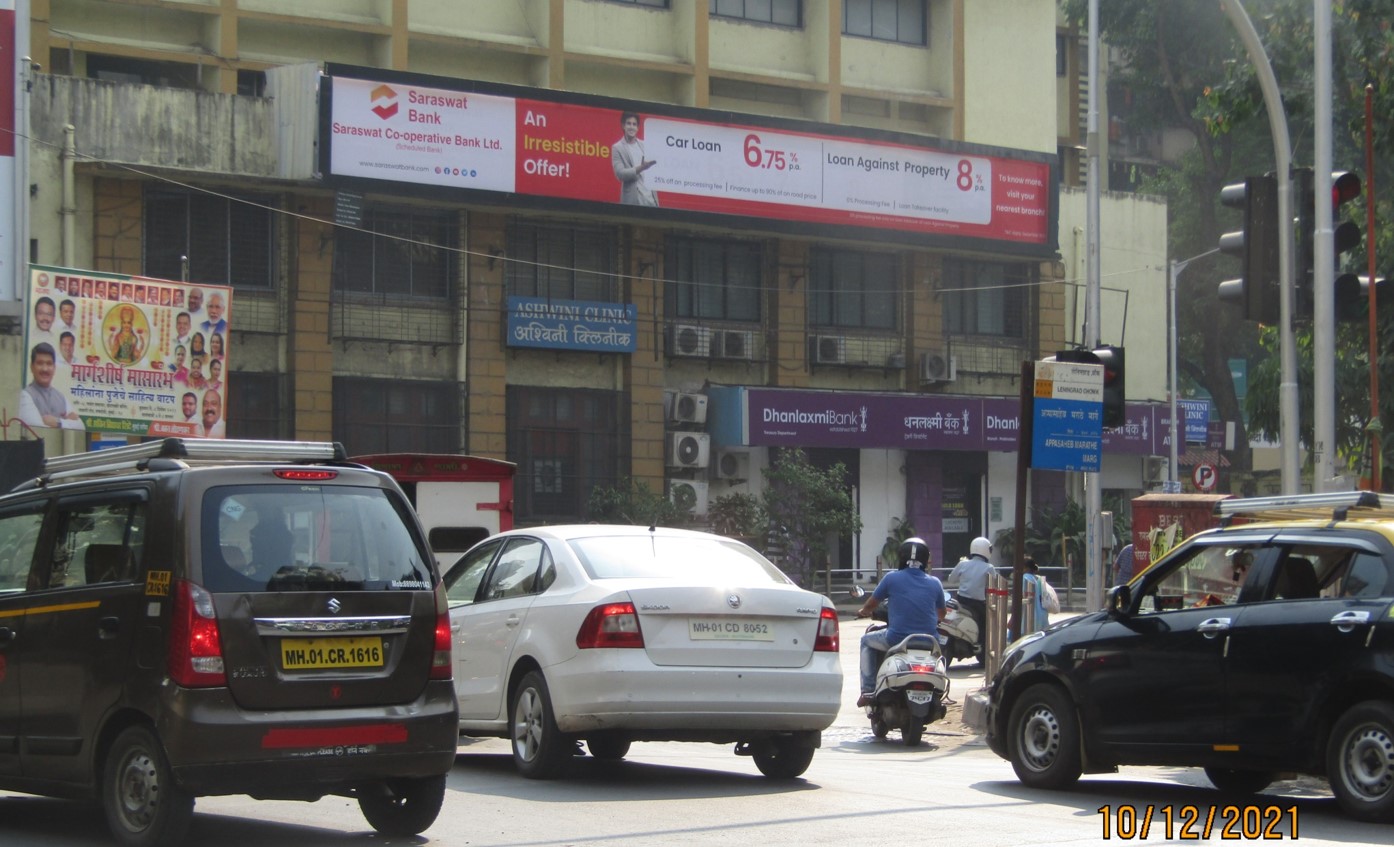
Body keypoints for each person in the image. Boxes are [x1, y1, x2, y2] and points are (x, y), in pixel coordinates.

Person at [854, 537, 946, 708]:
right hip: (929, 641)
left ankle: (867, 690)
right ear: (925, 560)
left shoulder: (891, 578)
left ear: (901, 557)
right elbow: (942, 614)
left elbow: (871, 604)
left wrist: (864, 611)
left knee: (866, 641)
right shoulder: (935, 583)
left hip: (896, 638)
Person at [18, 343, 85, 431]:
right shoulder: (25, 396)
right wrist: (68, 422)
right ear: (32, 367)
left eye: (49, 364)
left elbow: (81, 427)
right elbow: (37, 428)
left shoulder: (61, 398)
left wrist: (58, 422)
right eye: (40, 363)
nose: (45, 369)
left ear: (54, 368)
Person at [947, 536, 994, 660]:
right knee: (986, 625)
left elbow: (951, 579)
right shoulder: (989, 567)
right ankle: (980, 646)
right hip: (978, 604)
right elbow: (996, 584)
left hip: (960, 601)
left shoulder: (963, 563)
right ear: (986, 550)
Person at [611, 111, 658, 206]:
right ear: (623, 126)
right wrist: (641, 168)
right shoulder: (617, 148)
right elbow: (620, 174)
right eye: (628, 123)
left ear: (637, 127)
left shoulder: (645, 145)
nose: (631, 127)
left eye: (634, 124)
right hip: (633, 202)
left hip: (650, 200)